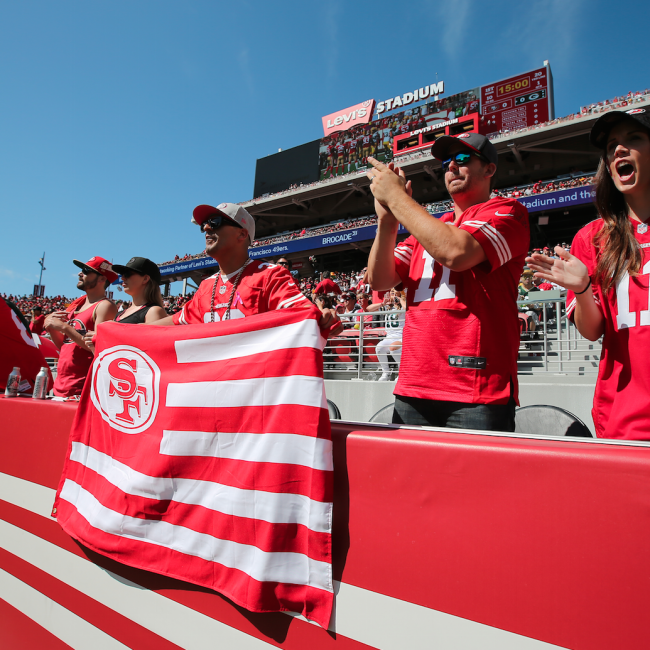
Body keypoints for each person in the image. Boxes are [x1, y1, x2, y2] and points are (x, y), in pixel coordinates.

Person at [366, 132, 530, 430]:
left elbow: (456, 252)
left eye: (464, 158)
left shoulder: (508, 211)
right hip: (414, 384)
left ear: (489, 169)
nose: (452, 166)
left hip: (475, 389)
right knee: (412, 477)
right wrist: (387, 220)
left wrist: (397, 198)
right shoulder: (431, 228)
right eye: (447, 162)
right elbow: (379, 280)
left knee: (475, 478)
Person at [526, 108, 650, 440]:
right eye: (611, 146)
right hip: (626, 420)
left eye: (633, 138)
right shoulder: (592, 238)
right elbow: (592, 330)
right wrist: (582, 289)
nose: (619, 150)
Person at [150, 203, 340, 332]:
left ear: (242, 235)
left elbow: (304, 313)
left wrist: (324, 318)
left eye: (215, 222)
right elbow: (176, 321)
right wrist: (126, 331)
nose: (207, 228)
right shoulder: (205, 286)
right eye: (204, 225)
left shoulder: (270, 275)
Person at [45, 257, 118, 397]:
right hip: (61, 383)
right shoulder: (77, 306)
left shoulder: (105, 306)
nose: (80, 273)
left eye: (86, 271)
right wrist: (51, 326)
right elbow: (65, 345)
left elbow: (98, 348)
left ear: (102, 279)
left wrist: (65, 328)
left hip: (82, 386)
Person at [83, 257, 167, 353]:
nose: (122, 278)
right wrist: (95, 344)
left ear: (145, 279)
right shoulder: (121, 313)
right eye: (122, 274)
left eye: (127, 274)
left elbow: (152, 352)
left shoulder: (154, 311)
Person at [374, 289, 406, 381]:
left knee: (393, 348)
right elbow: (369, 309)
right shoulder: (388, 307)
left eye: (395, 291)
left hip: (401, 336)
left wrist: (400, 299)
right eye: (392, 291)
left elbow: (407, 308)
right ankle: (386, 373)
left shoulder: (403, 304)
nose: (393, 293)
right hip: (390, 336)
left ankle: (402, 373)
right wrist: (382, 304)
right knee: (379, 347)